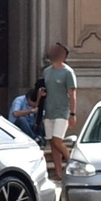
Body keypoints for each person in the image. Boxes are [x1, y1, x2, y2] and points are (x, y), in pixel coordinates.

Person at [40, 42, 79, 178]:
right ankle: (58, 173)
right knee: (52, 143)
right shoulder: (47, 71)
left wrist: (72, 113)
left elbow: (72, 93)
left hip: (62, 111)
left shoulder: (68, 72)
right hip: (49, 111)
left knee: (58, 141)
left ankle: (73, 163)